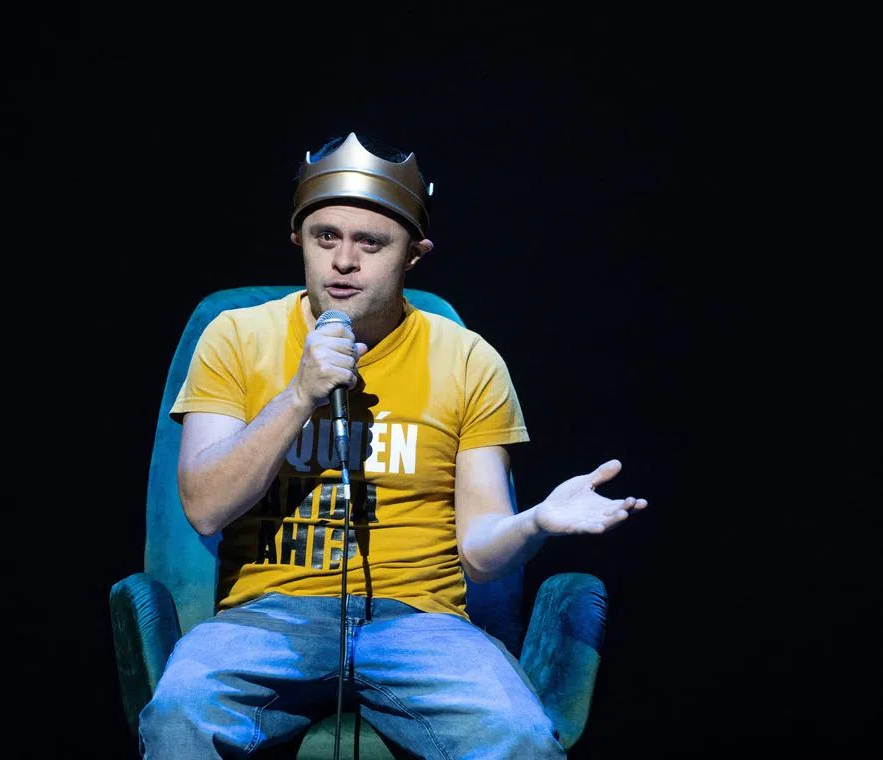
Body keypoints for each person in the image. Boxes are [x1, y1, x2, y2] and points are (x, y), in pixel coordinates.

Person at [136, 131, 648, 758]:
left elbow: (482, 554)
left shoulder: (467, 359)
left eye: (370, 243)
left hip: (422, 625)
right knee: (178, 714)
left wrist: (534, 521)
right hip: (267, 618)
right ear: (299, 239)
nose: (343, 261)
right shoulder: (236, 337)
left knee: (517, 734)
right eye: (326, 237)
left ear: (413, 255)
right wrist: (299, 395)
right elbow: (205, 506)